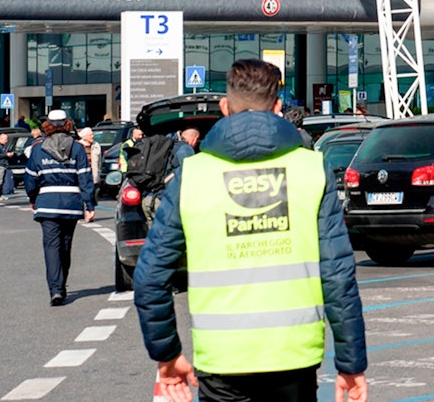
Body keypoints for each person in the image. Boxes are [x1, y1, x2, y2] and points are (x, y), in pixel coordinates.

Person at [134, 59, 367, 402]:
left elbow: (150, 277)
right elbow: (337, 274)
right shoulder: (310, 169)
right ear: (277, 108)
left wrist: (167, 355)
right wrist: (351, 364)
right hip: (294, 358)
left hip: (221, 362)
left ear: (225, 107)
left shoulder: (193, 176)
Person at [24, 110, 95, 306]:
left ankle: (56, 289)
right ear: (68, 124)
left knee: (51, 247)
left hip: (47, 204)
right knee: (65, 245)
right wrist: (89, 204)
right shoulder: (78, 149)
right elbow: (85, 178)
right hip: (71, 204)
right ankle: (61, 284)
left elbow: (30, 179)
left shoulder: (38, 149)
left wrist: (33, 198)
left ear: (47, 125)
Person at [0, 132, 20, 200]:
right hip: (0, 165)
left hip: (5, 165)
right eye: (5, 139)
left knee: (3, 181)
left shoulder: (3, 146)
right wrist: (6, 155)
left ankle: (1, 194)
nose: (6, 141)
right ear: (1, 139)